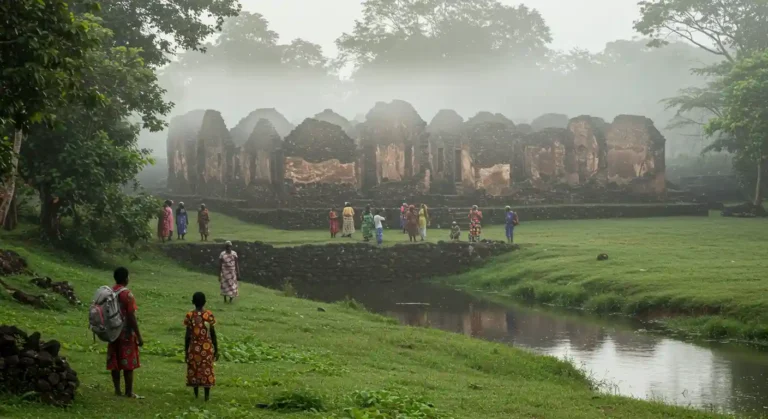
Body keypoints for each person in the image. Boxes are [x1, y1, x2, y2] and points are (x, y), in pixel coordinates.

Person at [107, 267, 143, 399]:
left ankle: (117, 390)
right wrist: (138, 335)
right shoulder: (127, 294)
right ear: (126, 278)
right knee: (128, 363)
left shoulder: (110, 292)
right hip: (125, 333)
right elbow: (131, 316)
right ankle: (129, 392)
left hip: (112, 331)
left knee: (115, 360)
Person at [184, 292, 218, 401]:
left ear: (193, 302)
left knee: (194, 369)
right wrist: (216, 348)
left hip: (194, 347)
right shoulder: (208, 315)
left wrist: (186, 350)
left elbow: (187, 336)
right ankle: (206, 396)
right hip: (206, 347)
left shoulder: (190, 316)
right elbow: (212, 333)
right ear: (205, 302)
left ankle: (196, 394)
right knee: (206, 369)